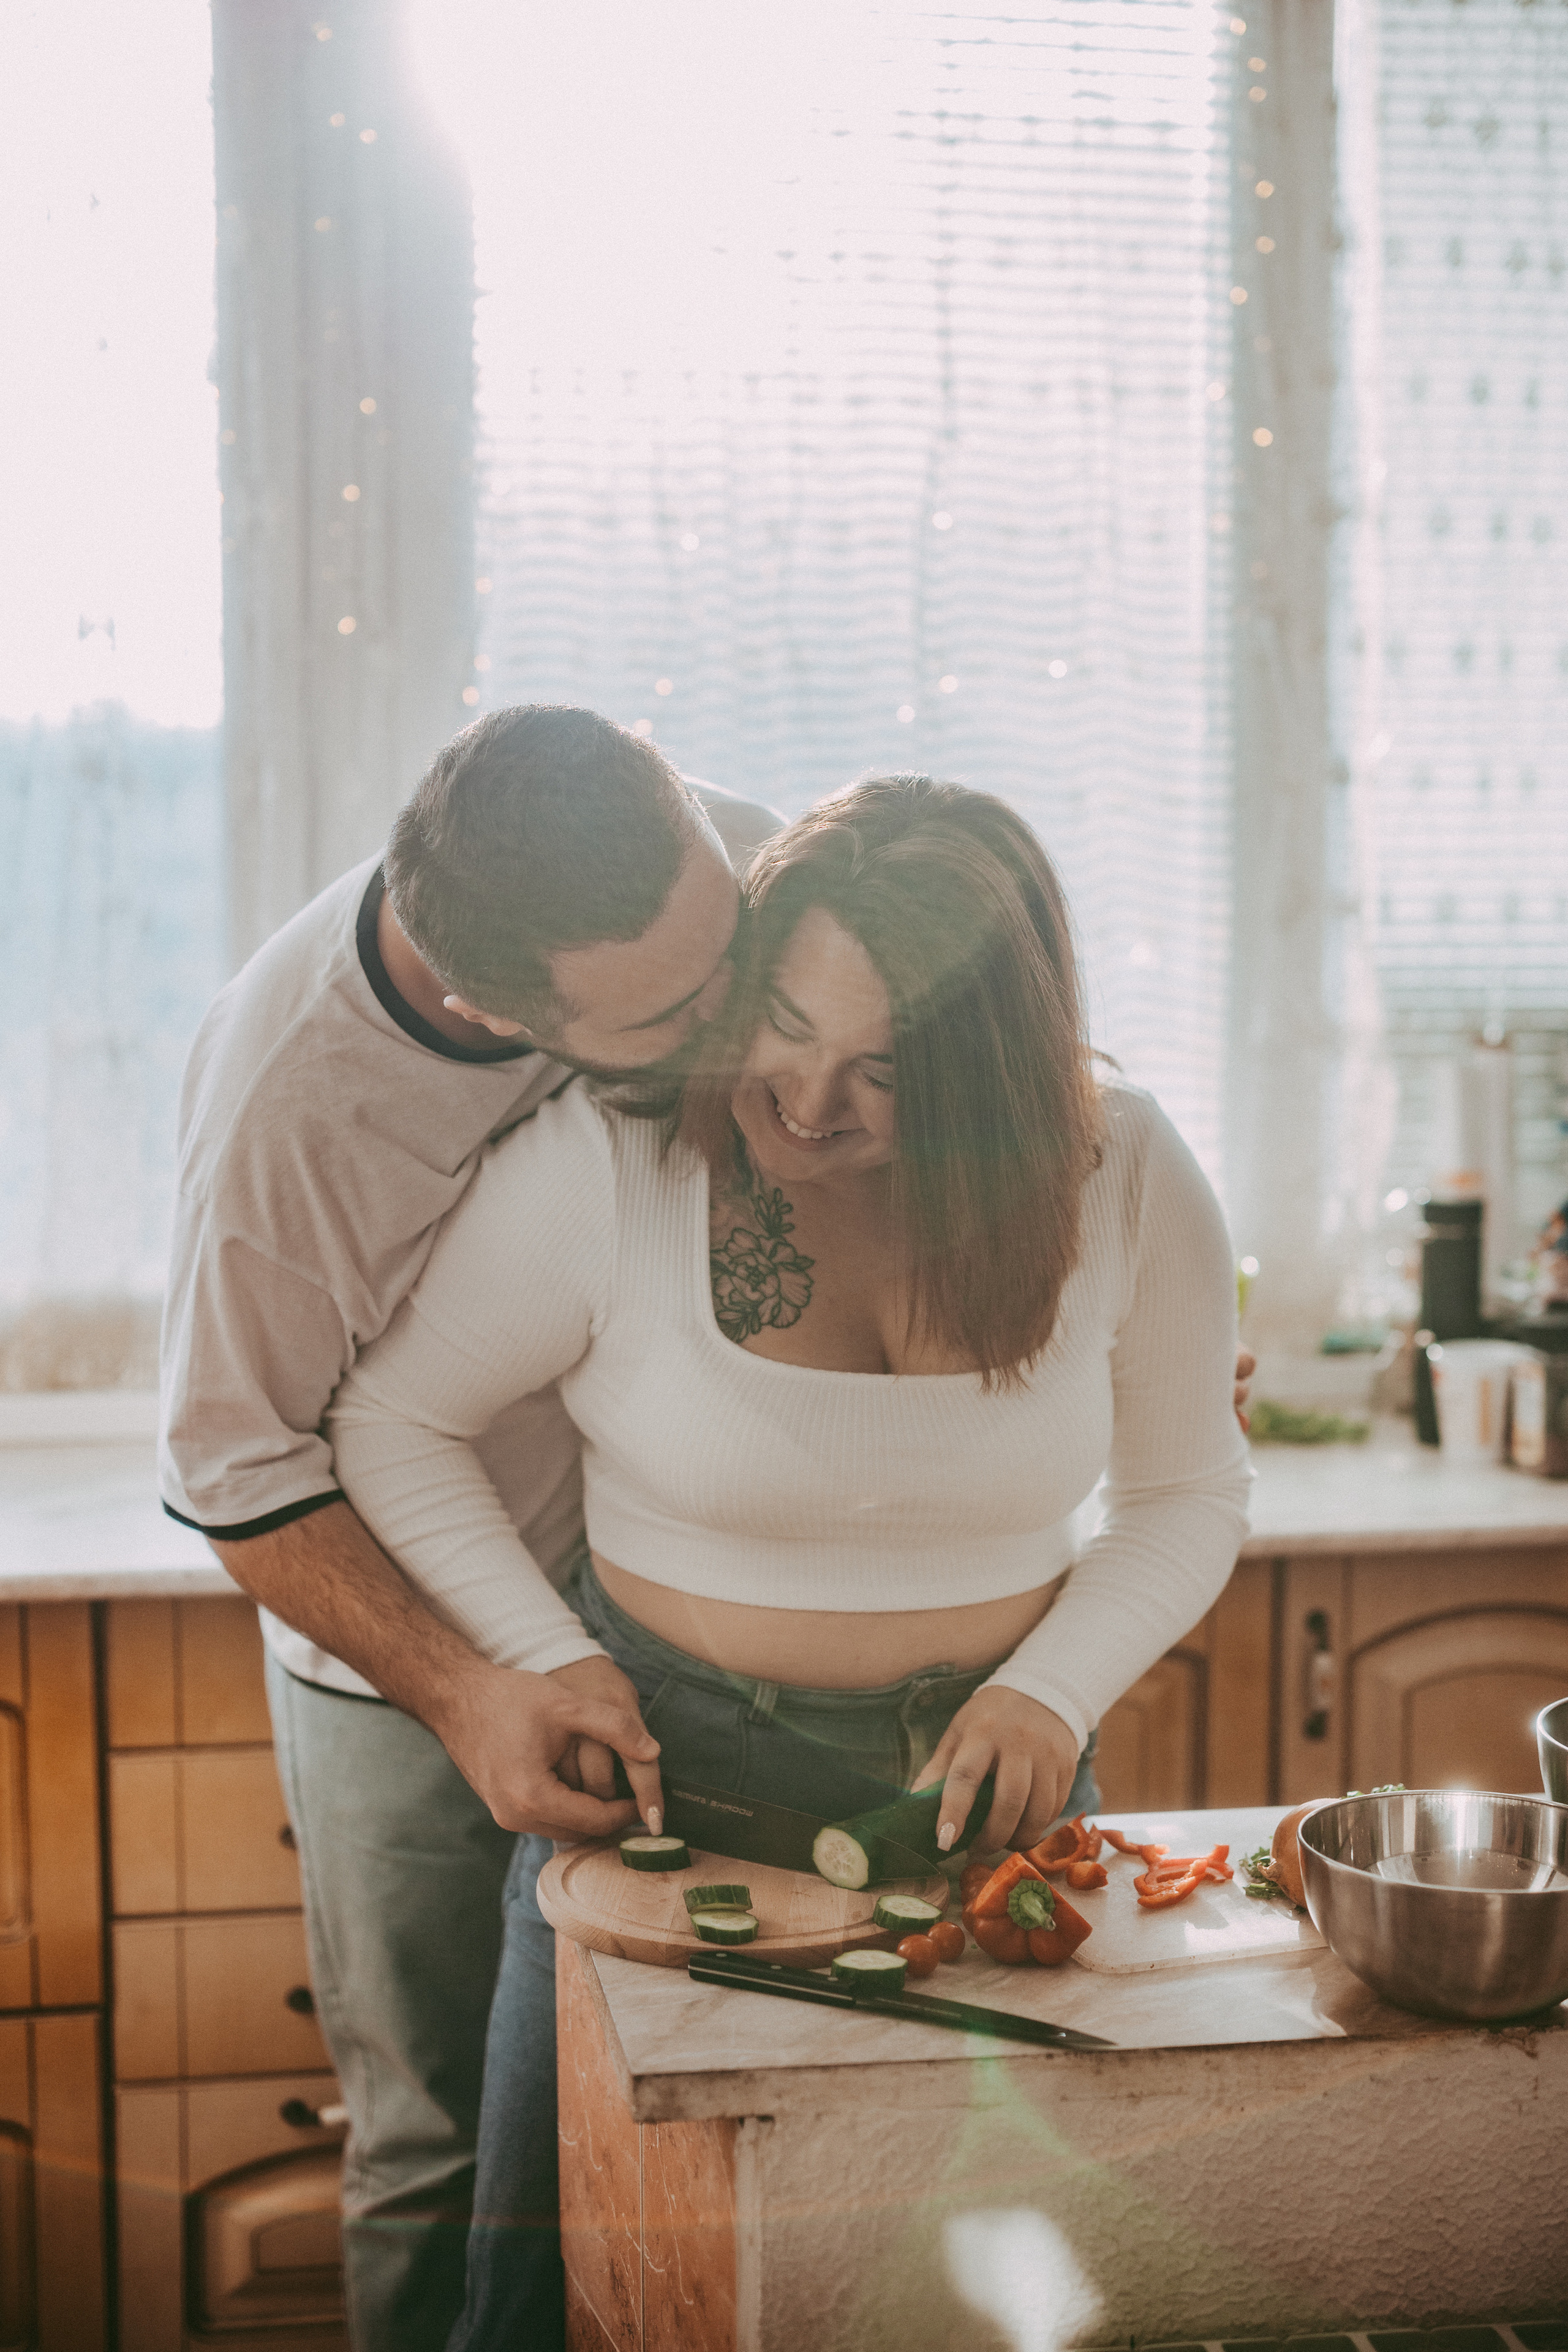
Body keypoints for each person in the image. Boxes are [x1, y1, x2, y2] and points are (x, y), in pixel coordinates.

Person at [326, 774, 1254, 2346]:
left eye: (889, 1068)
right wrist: (539, 1659)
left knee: (973, 2284)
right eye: (786, 1029)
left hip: (999, 1811)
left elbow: (1185, 1492)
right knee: (562, 2284)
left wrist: (1049, 1693)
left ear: (1000, 1070)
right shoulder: (613, 1161)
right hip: (663, 1799)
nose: (811, 1104)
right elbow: (392, 1422)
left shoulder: (1125, 1168)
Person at [157, 703, 780, 2351]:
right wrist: (466, 1689)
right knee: (444, 2153)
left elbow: (932, 1005)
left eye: (726, 934)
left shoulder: (681, 866)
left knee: (681, 2114)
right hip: (405, 1680)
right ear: (502, 1010)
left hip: (657, 1609)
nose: (736, 1001)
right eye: (681, 1006)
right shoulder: (292, 1120)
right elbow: (231, 1466)